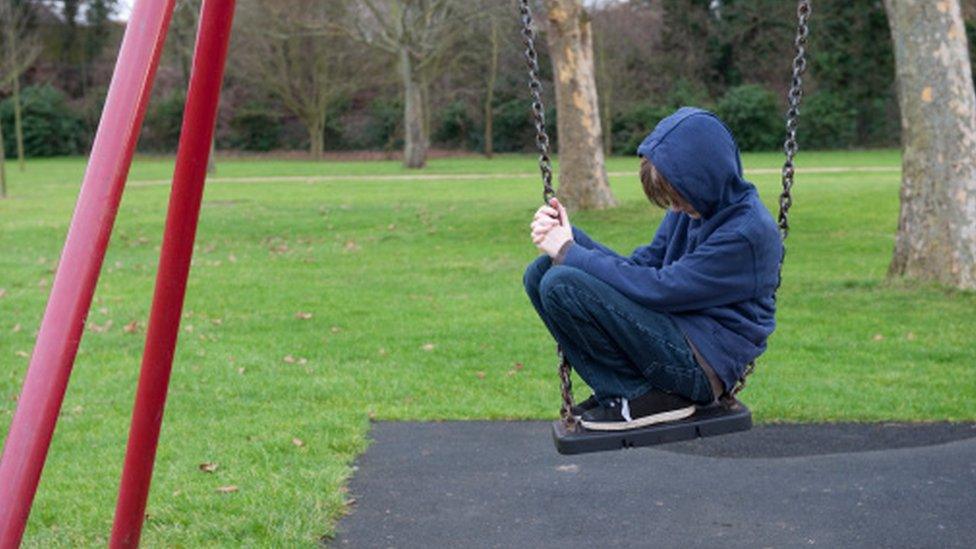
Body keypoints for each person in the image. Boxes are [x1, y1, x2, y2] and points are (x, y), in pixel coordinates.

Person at [523, 107, 782, 431]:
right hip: (676, 336)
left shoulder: (747, 233)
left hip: (701, 366)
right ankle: (620, 393)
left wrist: (570, 252)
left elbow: (661, 289)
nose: (674, 209)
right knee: (542, 272)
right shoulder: (694, 207)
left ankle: (639, 397)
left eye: (677, 197)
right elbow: (641, 267)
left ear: (705, 177)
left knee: (562, 283)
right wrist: (573, 240)